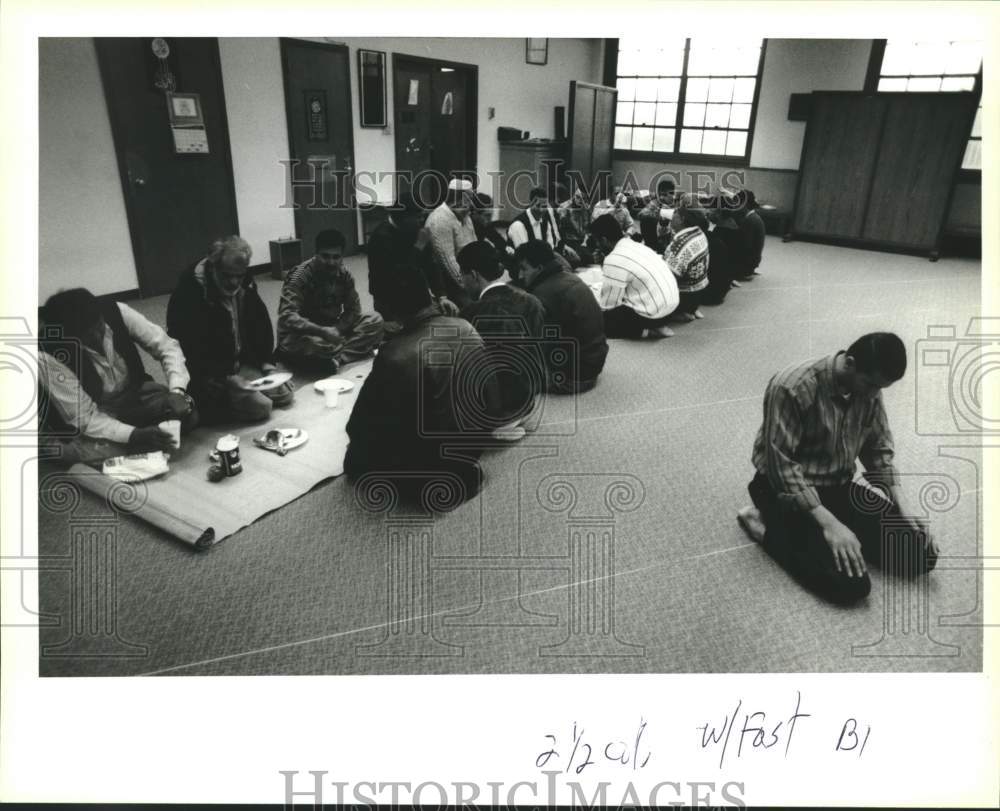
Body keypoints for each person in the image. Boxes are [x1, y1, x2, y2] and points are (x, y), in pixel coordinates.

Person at [737, 333, 939, 605]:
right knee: (852, 585)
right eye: (870, 385)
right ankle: (763, 527)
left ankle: (834, 542)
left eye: (880, 388)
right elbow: (781, 466)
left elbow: (877, 447)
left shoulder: (868, 389)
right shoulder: (792, 386)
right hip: (783, 490)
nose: (872, 395)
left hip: (837, 486)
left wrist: (901, 503)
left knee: (920, 553)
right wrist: (831, 524)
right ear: (850, 363)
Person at [344, 269, 499, 509]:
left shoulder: (395, 353)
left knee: (354, 459)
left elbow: (358, 425)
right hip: (473, 447)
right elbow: (491, 396)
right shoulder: (466, 326)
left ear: (391, 307)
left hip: (431, 467)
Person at [38, 288, 197, 463]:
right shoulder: (48, 355)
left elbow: (166, 347)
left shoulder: (117, 311)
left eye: (98, 327)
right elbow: (85, 418)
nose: (97, 337)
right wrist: (133, 435)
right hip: (90, 414)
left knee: (187, 415)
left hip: (132, 395)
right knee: (106, 451)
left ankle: (137, 435)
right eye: (86, 336)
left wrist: (177, 391)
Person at [167, 235, 293, 424]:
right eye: (228, 275)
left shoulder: (244, 280)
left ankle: (236, 395)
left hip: (238, 364)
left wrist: (268, 366)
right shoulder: (189, 291)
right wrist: (224, 378)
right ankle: (206, 409)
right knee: (262, 407)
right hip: (207, 375)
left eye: (239, 275)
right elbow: (187, 349)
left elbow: (260, 325)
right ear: (213, 266)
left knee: (284, 394)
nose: (234, 282)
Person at [459, 240, 546, 441]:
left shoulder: (470, 315)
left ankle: (496, 421)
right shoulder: (531, 301)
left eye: (462, 276)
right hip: (529, 399)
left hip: (495, 410)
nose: (461, 283)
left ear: (473, 274)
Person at [277, 229, 384, 374]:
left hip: (331, 328)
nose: (331, 262)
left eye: (336, 257)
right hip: (304, 333)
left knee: (374, 320)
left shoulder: (345, 275)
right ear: (316, 254)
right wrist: (321, 331)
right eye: (325, 256)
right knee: (315, 344)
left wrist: (337, 329)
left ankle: (337, 359)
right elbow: (287, 317)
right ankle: (340, 353)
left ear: (342, 257)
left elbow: (354, 310)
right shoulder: (300, 276)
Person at [513, 241, 608, 394]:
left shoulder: (541, 296)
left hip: (572, 378)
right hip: (593, 364)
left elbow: (536, 347)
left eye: (524, 269)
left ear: (539, 268)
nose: (520, 275)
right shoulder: (571, 278)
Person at [366, 192, 460, 333]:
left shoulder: (415, 229)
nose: (421, 221)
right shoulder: (380, 238)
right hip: (390, 300)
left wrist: (442, 296)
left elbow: (431, 265)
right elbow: (393, 278)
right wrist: (387, 318)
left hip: (416, 295)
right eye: (418, 217)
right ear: (403, 217)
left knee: (443, 325)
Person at [588, 214, 679, 339]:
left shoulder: (614, 259)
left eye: (597, 241)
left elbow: (609, 305)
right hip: (672, 308)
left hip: (654, 314)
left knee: (597, 321)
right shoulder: (636, 245)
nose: (596, 245)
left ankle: (646, 331)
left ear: (603, 240)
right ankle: (656, 325)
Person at [424, 180, 477, 310]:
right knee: (478, 309)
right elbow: (449, 264)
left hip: (472, 278)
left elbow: (477, 248)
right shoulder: (439, 220)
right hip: (451, 286)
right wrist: (474, 287)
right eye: (469, 198)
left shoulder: (465, 215)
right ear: (460, 198)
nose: (472, 204)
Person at [507, 186, 581, 268]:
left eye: (544, 206)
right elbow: (524, 256)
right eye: (538, 206)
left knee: (567, 268)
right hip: (525, 266)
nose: (541, 210)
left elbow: (550, 249)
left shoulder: (545, 222)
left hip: (541, 260)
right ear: (530, 204)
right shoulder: (518, 225)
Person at [664, 205, 710, 321]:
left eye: (675, 214)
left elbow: (670, 277)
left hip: (684, 297)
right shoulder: (699, 233)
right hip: (698, 294)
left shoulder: (681, 244)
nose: (671, 217)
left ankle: (682, 312)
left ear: (682, 219)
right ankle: (692, 309)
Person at [701, 199, 742, 305]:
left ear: (719, 213)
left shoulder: (720, 232)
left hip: (714, 290)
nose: (708, 212)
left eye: (711, 210)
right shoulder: (732, 224)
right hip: (728, 277)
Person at [469, 192, 515, 270]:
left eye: (491, 215)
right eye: (487, 216)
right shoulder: (467, 226)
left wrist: (508, 250)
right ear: (474, 214)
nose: (490, 219)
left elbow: (499, 241)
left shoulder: (484, 224)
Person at [555, 184, 595, 265]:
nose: (580, 200)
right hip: (568, 241)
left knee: (592, 258)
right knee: (580, 259)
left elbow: (589, 227)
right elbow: (557, 230)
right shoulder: (564, 208)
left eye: (583, 198)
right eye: (578, 197)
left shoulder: (586, 208)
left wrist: (586, 239)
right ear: (573, 195)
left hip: (583, 241)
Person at [638, 178, 677, 253]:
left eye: (666, 195)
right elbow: (641, 215)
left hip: (669, 242)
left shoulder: (675, 204)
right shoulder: (655, 203)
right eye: (661, 194)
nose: (662, 197)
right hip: (654, 243)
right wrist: (659, 212)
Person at [734, 189, 766, 280]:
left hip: (747, 266)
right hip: (751, 263)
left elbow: (744, 246)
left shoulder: (751, 221)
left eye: (737, 204)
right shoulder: (752, 217)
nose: (735, 206)